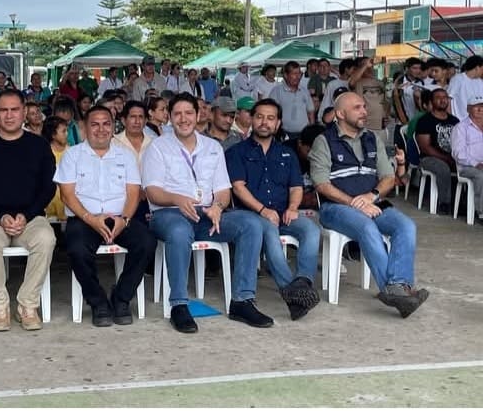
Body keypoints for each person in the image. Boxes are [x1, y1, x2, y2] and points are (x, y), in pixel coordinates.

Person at [141, 92, 271, 333]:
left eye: (188, 113)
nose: (183, 119)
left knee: (251, 224)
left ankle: (242, 300)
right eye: (177, 114)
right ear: (169, 117)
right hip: (169, 213)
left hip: (206, 215)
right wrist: (177, 199)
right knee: (179, 231)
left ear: (198, 114)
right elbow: (152, 192)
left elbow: (223, 190)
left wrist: (217, 207)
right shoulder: (157, 147)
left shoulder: (212, 147)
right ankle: (179, 305)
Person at [308, 92, 429, 318]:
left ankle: (399, 286)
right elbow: (321, 184)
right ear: (340, 114)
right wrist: (355, 203)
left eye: (364, 107)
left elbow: (388, 177)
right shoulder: (324, 141)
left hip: (372, 203)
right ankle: (394, 290)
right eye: (357, 108)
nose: (364, 111)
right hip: (335, 207)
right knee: (367, 227)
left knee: (406, 226)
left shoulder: (372, 138)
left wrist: (371, 196)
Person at [0, 89, 57, 331]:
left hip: (30, 217)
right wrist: (0, 216)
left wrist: (27, 215)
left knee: (46, 238)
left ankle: (27, 304)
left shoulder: (39, 145)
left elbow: (48, 187)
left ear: (24, 112)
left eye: (15, 110)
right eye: (3, 110)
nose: (9, 115)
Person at [56, 106, 156, 326]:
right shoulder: (72, 155)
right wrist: (90, 218)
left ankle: (121, 298)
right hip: (84, 218)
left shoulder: (125, 156)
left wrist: (125, 220)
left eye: (106, 124)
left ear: (113, 127)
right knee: (77, 249)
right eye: (95, 124)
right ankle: (98, 302)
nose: (101, 129)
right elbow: (67, 195)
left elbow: (133, 193)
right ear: (84, 128)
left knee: (147, 242)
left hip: (120, 218)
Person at [226, 99, 321, 320]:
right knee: (269, 229)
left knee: (311, 229)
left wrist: (293, 208)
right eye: (259, 117)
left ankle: (303, 282)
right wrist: (263, 210)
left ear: (278, 123)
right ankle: (291, 292)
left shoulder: (287, 154)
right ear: (251, 119)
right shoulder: (237, 152)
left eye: (270, 118)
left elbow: (296, 187)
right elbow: (238, 188)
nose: (264, 122)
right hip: (251, 214)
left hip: (283, 212)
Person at [415, 88, 458, 214]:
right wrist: (446, 158)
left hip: (452, 157)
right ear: (431, 101)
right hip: (428, 158)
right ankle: (445, 203)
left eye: (445, 97)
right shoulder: (425, 121)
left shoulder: (454, 121)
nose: (442, 100)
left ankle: (463, 202)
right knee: (443, 168)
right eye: (438, 97)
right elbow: (425, 147)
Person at [451, 94, 483, 223]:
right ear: (468, 109)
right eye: (476, 107)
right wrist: (476, 164)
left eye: (482, 107)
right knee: (481, 175)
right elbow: (458, 153)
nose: (480, 109)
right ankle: (481, 212)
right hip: (467, 167)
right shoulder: (460, 128)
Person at [284, 123, 326, 210]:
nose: (313, 156)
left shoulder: (324, 155)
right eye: (309, 151)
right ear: (300, 143)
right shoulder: (285, 154)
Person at [269, 61, 314, 140]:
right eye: (294, 73)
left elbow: (311, 112)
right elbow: (271, 112)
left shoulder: (304, 91)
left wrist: (311, 131)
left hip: (303, 135)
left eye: (299, 73)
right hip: (284, 135)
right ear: (286, 75)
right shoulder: (277, 91)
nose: (298, 77)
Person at [42, 116, 69, 221]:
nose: (67, 134)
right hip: (48, 208)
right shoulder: (44, 153)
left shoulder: (72, 153)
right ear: (53, 135)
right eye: (63, 131)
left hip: (68, 207)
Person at [447, 55, 483, 120]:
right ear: (477, 68)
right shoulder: (458, 79)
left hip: (477, 121)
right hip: (460, 120)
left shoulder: (480, 82)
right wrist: (450, 118)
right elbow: (448, 99)